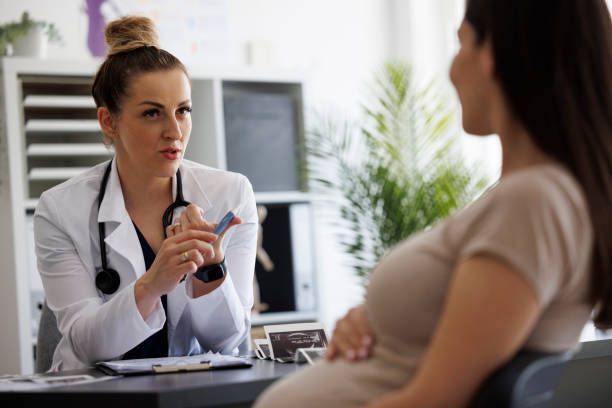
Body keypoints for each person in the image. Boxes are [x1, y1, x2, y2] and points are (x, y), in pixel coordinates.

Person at [256, 0, 612, 406]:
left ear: (491, 54)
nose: (452, 70)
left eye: (460, 45)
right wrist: (378, 329)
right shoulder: (535, 198)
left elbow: (432, 400)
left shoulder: (533, 203)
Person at [34, 16, 258, 371]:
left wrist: (210, 272)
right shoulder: (60, 209)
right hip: (97, 394)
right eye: (152, 113)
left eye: (182, 111)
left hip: (194, 392)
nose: (174, 132)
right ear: (109, 121)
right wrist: (152, 284)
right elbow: (86, 344)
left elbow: (229, 340)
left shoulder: (230, 192)